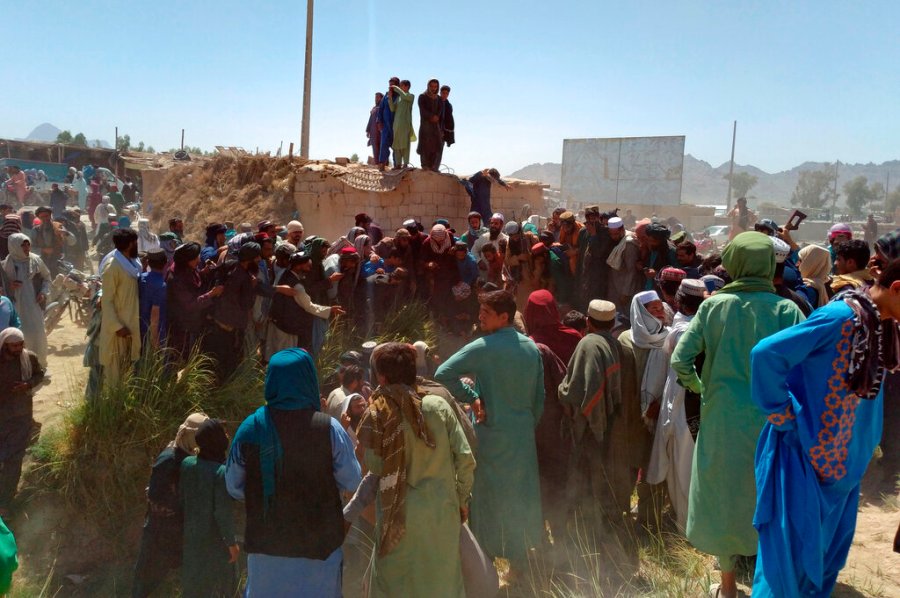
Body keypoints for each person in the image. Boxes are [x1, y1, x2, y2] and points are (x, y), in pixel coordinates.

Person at [750, 257, 900, 597]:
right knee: (787, 568)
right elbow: (766, 354)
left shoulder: (882, 324)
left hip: (844, 468)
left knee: (823, 562)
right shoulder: (840, 317)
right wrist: (784, 416)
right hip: (804, 459)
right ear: (896, 288)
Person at [670, 231, 805, 598]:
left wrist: (701, 388)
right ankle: (766, 582)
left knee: (724, 496)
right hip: (772, 422)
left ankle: (728, 586)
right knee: (764, 493)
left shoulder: (714, 307)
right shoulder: (787, 309)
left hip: (722, 419)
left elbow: (680, 359)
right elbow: (802, 367)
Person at [226, 348, 362, 597]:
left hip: (266, 550)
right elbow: (352, 479)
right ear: (308, 379)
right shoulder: (329, 429)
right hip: (319, 550)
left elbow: (233, 487)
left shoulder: (251, 427)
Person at [435, 290, 544, 571]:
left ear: (504, 317)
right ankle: (520, 564)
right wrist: (523, 425)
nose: (479, 317)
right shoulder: (531, 347)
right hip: (521, 436)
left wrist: (472, 397)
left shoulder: (484, 346)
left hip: (491, 434)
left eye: (485, 313)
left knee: (488, 498)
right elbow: (539, 399)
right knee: (519, 494)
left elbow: (442, 374)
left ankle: (487, 565)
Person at [355, 342, 476, 597]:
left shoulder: (378, 413)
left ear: (382, 377)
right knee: (442, 582)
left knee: (396, 584)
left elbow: (375, 467)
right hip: (442, 512)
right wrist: (461, 500)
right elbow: (465, 458)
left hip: (397, 516)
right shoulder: (437, 407)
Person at [645, 279, 707, 531]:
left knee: (682, 468)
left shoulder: (680, 332)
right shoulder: (705, 328)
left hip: (684, 405)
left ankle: (687, 526)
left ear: (678, 301)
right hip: (699, 405)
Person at [132, 413, 208, 598]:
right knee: (147, 578)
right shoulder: (169, 459)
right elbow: (155, 495)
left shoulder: (189, 455)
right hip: (160, 531)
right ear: (190, 435)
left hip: (177, 530)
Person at [180, 419, 238, 598]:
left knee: (193, 585)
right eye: (223, 433)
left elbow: (183, 497)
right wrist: (231, 543)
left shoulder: (187, 464)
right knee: (222, 586)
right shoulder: (221, 472)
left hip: (191, 538)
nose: (227, 436)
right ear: (217, 440)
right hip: (214, 542)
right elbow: (222, 512)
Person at [0, 328, 44, 517]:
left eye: (20, 344)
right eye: (13, 345)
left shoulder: (29, 358)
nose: (18, 348)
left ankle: (6, 502)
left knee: (14, 459)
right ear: (4, 345)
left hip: (21, 416)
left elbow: (39, 374)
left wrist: (27, 385)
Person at [267, 252, 341, 359]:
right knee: (287, 359)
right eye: (307, 266)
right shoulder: (297, 286)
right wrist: (330, 310)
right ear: (298, 265)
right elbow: (309, 306)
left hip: (277, 323)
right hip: (286, 330)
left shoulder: (284, 274)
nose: (309, 269)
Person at [99, 228, 142, 386]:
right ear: (130, 244)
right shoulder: (113, 267)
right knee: (115, 373)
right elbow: (107, 300)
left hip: (131, 323)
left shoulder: (132, 262)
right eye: (135, 242)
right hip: (118, 329)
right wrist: (117, 326)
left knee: (128, 370)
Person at [165, 243, 222, 361]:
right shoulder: (176, 278)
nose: (199, 260)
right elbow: (191, 304)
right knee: (183, 357)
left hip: (193, 322)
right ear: (186, 260)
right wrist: (211, 294)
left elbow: (193, 281)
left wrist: (203, 272)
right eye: (195, 258)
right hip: (183, 326)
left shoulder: (186, 269)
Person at [1, 234, 50, 368]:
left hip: (33, 304)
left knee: (38, 334)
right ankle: (22, 368)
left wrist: (43, 293)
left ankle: (40, 365)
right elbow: (2, 288)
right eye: (23, 245)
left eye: (28, 244)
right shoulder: (5, 265)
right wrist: (9, 287)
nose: (27, 247)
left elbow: (47, 277)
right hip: (16, 306)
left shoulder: (36, 260)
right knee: (20, 335)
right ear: (14, 246)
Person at [138, 249, 168, 351]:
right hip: (155, 333)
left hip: (140, 328)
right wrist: (155, 342)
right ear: (165, 263)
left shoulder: (141, 278)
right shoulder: (161, 285)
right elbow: (155, 316)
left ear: (149, 263)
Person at [416, 79, 444, 171]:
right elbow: (422, 110)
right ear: (428, 86)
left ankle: (433, 167)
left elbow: (440, 110)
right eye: (431, 86)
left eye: (435, 87)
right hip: (425, 125)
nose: (433, 88)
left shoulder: (439, 99)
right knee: (425, 145)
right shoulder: (422, 97)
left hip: (435, 126)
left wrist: (436, 117)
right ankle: (425, 165)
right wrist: (431, 116)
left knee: (436, 145)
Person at [390, 80, 416, 168]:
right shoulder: (398, 98)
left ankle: (405, 163)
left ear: (407, 86)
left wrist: (395, 88)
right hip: (396, 125)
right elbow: (392, 108)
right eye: (399, 86)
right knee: (396, 144)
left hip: (405, 124)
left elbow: (404, 96)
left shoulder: (410, 96)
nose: (400, 87)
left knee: (405, 144)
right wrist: (390, 98)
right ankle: (398, 164)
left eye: (401, 86)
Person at [797, 244, 832, 309]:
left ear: (810, 263)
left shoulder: (806, 288)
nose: (797, 264)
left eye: (801, 260)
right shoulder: (829, 284)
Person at [376, 77, 399, 170]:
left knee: (396, 146)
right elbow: (380, 109)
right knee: (384, 144)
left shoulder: (399, 97)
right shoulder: (385, 96)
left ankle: (397, 164)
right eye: (390, 84)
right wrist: (379, 121)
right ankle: (382, 164)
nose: (390, 86)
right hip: (385, 125)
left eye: (393, 84)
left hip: (395, 125)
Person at [436, 84, 455, 168]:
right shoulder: (435, 102)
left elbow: (449, 119)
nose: (444, 95)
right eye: (443, 93)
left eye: (446, 93)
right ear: (440, 92)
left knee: (439, 149)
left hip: (443, 131)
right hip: (434, 129)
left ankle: (435, 167)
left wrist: (446, 132)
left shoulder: (449, 106)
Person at [366, 92, 384, 162]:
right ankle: (377, 163)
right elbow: (370, 119)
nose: (376, 99)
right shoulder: (374, 108)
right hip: (373, 131)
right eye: (375, 98)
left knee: (382, 147)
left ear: (381, 98)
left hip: (381, 131)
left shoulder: (383, 107)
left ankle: (384, 163)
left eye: (377, 97)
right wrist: (368, 130)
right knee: (374, 147)